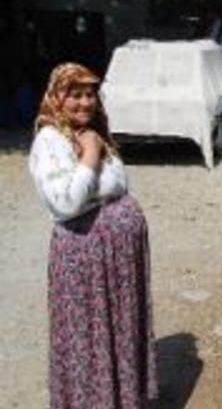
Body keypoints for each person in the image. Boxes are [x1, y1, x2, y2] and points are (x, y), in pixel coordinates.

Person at [28, 63, 158, 409]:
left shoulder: (93, 131)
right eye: (75, 95)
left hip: (115, 256)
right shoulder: (50, 140)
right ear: (57, 97)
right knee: (89, 336)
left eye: (90, 94)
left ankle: (121, 398)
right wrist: (89, 155)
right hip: (85, 258)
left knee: (118, 329)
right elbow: (67, 202)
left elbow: (118, 186)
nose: (85, 103)